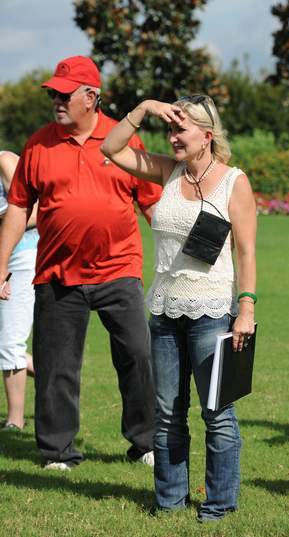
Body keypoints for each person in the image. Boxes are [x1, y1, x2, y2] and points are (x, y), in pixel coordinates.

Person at [0, 56, 161, 470]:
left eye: (64, 93)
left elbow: (151, 203)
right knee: (56, 367)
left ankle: (145, 442)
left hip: (119, 269)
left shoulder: (122, 140)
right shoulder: (38, 144)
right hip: (57, 273)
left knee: (138, 357)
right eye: (52, 92)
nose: (55, 99)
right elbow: (18, 209)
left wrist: (177, 254)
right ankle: (57, 451)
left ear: (90, 97)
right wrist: (1, 263)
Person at [101, 94, 256, 521]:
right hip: (165, 311)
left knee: (216, 412)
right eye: (169, 129)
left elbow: (246, 253)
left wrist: (246, 308)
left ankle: (220, 505)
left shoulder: (233, 182)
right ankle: (169, 502)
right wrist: (144, 108)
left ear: (206, 136)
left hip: (211, 310)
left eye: (180, 129)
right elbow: (111, 148)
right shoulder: (168, 172)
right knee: (167, 413)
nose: (172, 137)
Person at [0, 151, 36, 430]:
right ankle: (59, 380)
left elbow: (35, 212)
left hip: (21, 257)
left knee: (10, 341)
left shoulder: (5, 161)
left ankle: (15, 420)